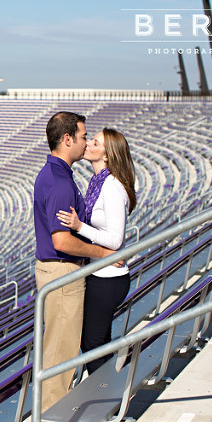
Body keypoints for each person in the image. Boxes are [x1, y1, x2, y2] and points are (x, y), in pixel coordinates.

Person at [33, 112, 117, 422]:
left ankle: (46, 417)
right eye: (83, 136)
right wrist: (103, 254)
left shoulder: (56, 175)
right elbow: (61, 241)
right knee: (62, 349)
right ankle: (53, 421)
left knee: (57, 345)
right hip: (63, 270)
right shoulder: (59, 182)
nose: (86, 141)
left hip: (57, 271)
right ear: (67, 139)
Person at [57, 128, 136, 374]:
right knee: (97, 341)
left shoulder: (112, 187)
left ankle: (104, 397)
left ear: (108, 155)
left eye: (95, 142)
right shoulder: (98, 183)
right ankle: (107, 392)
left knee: (93, 343)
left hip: (108, 279)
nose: (88, 144)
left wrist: (79, 226)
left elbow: (115, 240)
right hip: (98, 274)